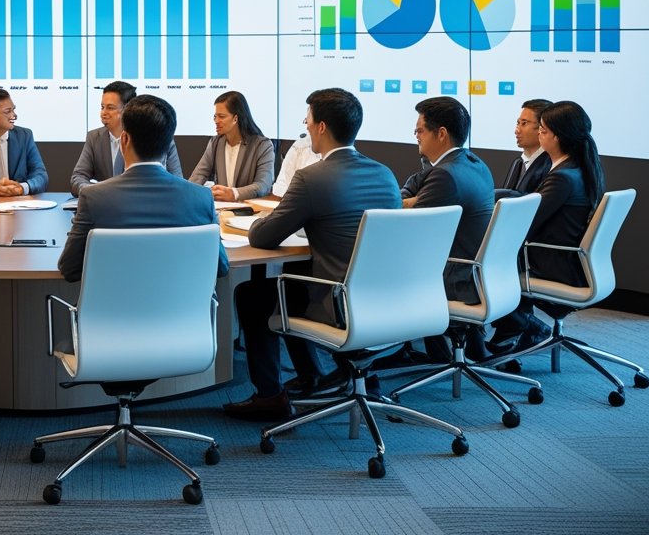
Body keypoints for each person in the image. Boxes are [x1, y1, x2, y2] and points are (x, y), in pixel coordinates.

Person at [223, 88, 401, 420]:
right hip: (391, 301)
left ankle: (270, 397)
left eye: (307, 119)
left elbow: (264, 236)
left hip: (338, 303)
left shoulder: (312, 178)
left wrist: (251, 220)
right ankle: (312, 377)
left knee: (252, 294)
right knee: (292, 281)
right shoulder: (385, 175)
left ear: (321, 127)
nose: (304, 125)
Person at [58, 95, 228, 282]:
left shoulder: (93, 197)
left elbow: (69, 268)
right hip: (183, 301)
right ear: (168, 143)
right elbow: (221, 267)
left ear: (124, 140)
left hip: (116, 300)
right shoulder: (201, 198)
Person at [489, 100, 605, 352]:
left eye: (542, 130)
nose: (539, 136)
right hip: (567, 262)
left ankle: (513, 331)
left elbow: (525, 223)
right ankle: (515, 330)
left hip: (551, 264)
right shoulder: (577, 169)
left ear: (558, 137)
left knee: (484, 261)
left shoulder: (562, 178)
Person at [401, 97, 496, 363]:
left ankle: (415, 354)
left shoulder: (445, 175)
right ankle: (444, 352)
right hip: (480, 274)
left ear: (441, 133)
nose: (416, 136)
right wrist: (412, 200)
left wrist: (408, 203)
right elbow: (416, 193)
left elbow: (407, 228)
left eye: (420, 130)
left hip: (457, 278)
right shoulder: (473, 163)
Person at [70, 80, 182, 196]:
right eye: (102, 107)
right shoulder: (94, 138)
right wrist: (96, 192)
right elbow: (78, 177)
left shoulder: (155, 137)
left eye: (110, 108)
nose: (103, 113)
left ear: (127, 110)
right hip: (106, 202)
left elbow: (177, 180)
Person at [188, 91, 275, 202]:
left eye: (222, 116)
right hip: (221, 208)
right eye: (215, 116)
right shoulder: (215, 142)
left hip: (248, 209)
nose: (216, 121)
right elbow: (198, 176)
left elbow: (264, 185)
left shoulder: (262, 145)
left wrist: (234, 194)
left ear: (235, 118)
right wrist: (187, 192)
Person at [498, 99, 553, 196]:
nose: (517, 130)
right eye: (518, 123)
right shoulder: (519, 162)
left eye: (524, 123)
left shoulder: (549, 165)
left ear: (543, 127)